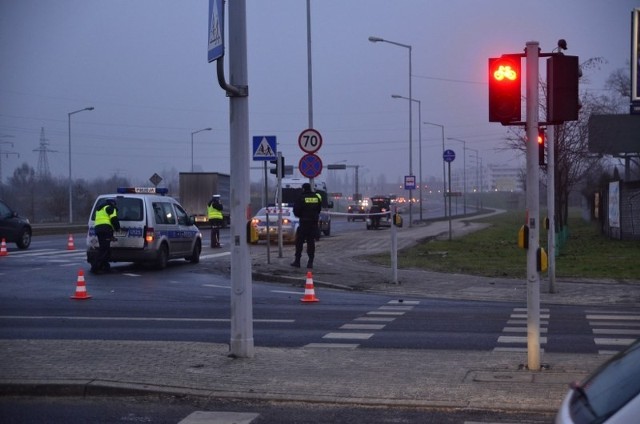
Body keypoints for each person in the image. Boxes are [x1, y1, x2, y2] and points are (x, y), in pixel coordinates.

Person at [291, 182, 322, 269]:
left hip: (304, 223)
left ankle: (297, 261)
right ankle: (310, 262)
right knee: (311, 242)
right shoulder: (316, 197)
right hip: (313, 223)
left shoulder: (301, 197)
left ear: (303, 189)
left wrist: (302, 215)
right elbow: (319, 209)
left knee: (299, 242)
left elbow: (296, 211)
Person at [91, 198, 120, 274]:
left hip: (98, 230)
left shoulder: (100, 209)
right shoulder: (111, 208)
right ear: (113, 203)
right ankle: (95, 267)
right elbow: (114, 219)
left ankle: (105, 266)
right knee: (104, 249)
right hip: (106, 229)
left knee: (104, 248)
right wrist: (117, 228)